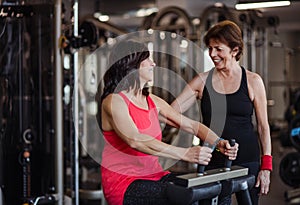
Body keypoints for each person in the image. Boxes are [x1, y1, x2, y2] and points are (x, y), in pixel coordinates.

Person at [97, 39, 239, 205]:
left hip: (156, 176)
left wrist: (218, 142)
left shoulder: (152, 101)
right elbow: (135, 139)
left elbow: (192, 125)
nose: (154, 63)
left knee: (217, 189)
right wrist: (185, 153)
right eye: (148, 59)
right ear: (132, 65)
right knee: (187, 196)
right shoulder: (113, 101)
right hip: (125, 183)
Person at [171, 20, 272, 205]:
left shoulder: (252, 81)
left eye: (218, 49)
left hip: (248, 160)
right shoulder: (202, 81)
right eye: (210, 48)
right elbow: (170, 113)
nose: (212, 54)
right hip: (212, 161)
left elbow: (264, 127)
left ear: (234, 50)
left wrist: (266, 166)